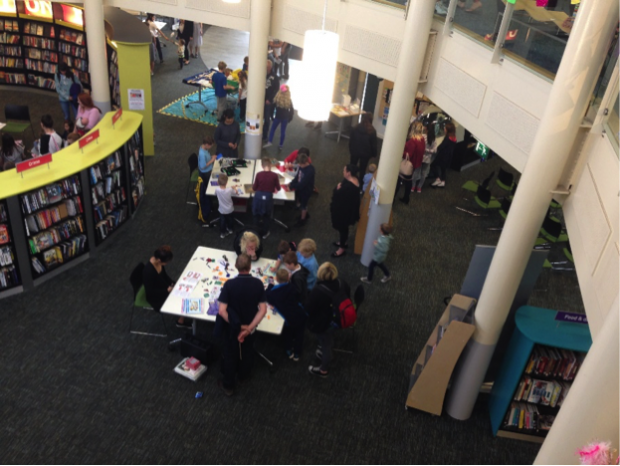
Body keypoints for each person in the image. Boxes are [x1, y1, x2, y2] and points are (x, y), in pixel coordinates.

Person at [216, 253, 267, 396]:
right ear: (250, 267)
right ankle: (243, 377)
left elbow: (222, 311)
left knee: (230, 354)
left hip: (232, 327)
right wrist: (249, 328)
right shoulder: (257, 284)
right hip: (250, 326)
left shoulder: (229, 285)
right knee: (247, 351)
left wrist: (238, 326)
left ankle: (228, 386)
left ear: (236, 266)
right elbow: (262, 310)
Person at [306, 262, 350, 377]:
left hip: (324, 324)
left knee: (326, 345)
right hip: (338, 319)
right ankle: (326, 351)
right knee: (327, 340)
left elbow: (309, 309)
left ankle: (323, 370)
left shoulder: (317, 291)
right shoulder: (342, 283)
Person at [142, 245, 190, 329]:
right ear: (159, 260)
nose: (167, 264)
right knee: (184, 299)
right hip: (156, 297)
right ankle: (181, 321)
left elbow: (164, 276)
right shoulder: (148, 271)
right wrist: (166, 291)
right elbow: (150, 292)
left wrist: (172, 283)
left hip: (163, 287)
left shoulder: (158, 262)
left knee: (186, 292)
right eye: (166, 262)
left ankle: (182, 318)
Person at [266, 268, 306, 361]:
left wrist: (270, 285)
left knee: (288, 334)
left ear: (276, 279)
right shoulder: (292, 287)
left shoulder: (273, 293)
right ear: (288, 278)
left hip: (289, 319)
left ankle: (289, 351)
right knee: (299, 336)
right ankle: (297, 353)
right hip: (300, 315)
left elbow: (267, 295)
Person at [330, 164, 361, 257]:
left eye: (344, 171)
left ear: (348, 173)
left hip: (344, 212)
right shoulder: (355, 180)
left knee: (342, 228)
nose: (343, 172)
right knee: (344, 228)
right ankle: (343, 242)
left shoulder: (348, 187)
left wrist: (337, 188)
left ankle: (342, 248)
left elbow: (337, 196)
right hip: (349, 210)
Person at [395, 121, 425, 204]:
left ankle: (393, 199)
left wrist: (401, 151)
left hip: (408, 164)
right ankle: (406, 198)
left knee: (398, 180)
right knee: (408, 181)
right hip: (415, 164)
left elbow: (408, 155)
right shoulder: (421, 139)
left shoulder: (412, 141)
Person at [252, 157, 281, 239]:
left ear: (262, 166)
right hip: (268, 199)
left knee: (256, 215)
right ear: (271, 165)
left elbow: (254, 188)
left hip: (258, 198)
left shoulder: (258, 174)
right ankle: (265, 233)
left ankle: (255, 232)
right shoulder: (274, 176)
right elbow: (278, 188)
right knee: (266, 216)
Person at [286, 152, 315, 227]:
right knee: (302, 202)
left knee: (304, 205)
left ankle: (302, 220)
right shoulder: (301, 167)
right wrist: (291, 183)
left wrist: (291, 187)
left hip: (306, 191)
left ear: (305, 162)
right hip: (301, 189)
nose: (298, 165)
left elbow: (302, 184)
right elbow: (297, 177)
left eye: (300, 164)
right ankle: (305, 215)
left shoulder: (310, 171)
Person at [348, 113, 377, 182]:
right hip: (365, 154)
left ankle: (350, 180)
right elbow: (374, 145)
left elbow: (351, 140)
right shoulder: (372, 131)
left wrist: (351, 150)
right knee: (362, 169)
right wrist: (374, 154)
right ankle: (360, 184)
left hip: (354, 151)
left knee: (352, 166)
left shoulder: (355, 127)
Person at [264, 84, 294, 150]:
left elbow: (272, 107)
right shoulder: (289, 100)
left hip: (278, 116)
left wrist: (272, 116)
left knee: (272, 129)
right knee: (283, 131)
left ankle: (270, 141)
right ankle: (281, 145)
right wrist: (290, 118)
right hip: (285, 117)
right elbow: (291, 110)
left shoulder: (277, 98)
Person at [430, 122, 457, 188]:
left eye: (445, 128)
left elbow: (441, 146)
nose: (444, 129)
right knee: (443, 169)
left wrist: (436, 149)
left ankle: (438, 179)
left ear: (447, 130)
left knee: (433, 165)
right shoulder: (454, 138)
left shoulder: (447, 138)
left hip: (442, 156)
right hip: (449, 156)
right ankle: (443, 181)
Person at [412, 124, 437, 193]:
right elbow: (435, 150)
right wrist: (429, 151)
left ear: (426, 129)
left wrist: (424, 150)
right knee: (423, 173)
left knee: (416, 171)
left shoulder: (422, 136)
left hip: (420, 157)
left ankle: (413, 186)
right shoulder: (434, 139)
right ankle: (419, 187)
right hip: (427, 159)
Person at [263, 60, 280, 143]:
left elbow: (277, 90)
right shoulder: (261, 74)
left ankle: (265, 135)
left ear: (270, 67)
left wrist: (270, 99)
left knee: (266, 118)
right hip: (260, 100)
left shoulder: (275, 77)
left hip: (268, 102)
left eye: (267, 67)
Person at [215, 173, 235, 239]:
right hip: (230, 209)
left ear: (218, 182)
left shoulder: (217, 190)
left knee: (222, 222)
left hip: (222, 210)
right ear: (226, 183)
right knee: (230, 220)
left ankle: (222, 233)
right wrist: (234, 188)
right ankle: (230, 229)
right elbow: (235, 193)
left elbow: (215, 194)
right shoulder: (229, 190)